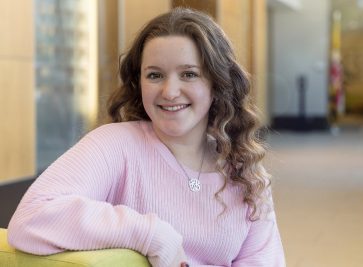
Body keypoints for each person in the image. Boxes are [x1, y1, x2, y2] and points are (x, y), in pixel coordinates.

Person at [8, 7, 285, 267]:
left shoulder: (246, 170)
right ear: (138, 82)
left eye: (189, 74)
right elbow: (31, 217)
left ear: (217, 83)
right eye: (155, 75)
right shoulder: (115, 144)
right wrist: (150, 234)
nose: (169, 91)